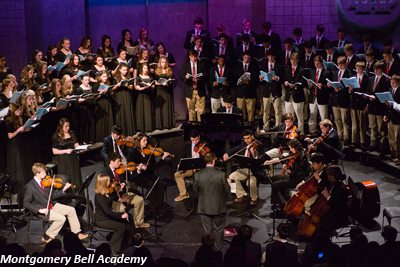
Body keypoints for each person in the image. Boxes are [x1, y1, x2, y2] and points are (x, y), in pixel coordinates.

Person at [23, 163, 88, 244]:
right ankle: (47, 236)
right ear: (37, 173)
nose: (45, 174)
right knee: (61, 218)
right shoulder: (30, 187)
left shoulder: (44, 182)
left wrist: (63, 189)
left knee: (71, 210)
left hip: (51, 205)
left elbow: (52, 195)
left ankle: (76, 233)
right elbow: (26, 203)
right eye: (43, 173)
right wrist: (39, 210)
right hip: (42, 209)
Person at [193, 152, 230, 251]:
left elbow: (195, 190)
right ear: (214, 161)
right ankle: (218, 248)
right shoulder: (221, 174)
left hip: (204, 207)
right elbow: (227, 190)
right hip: (219, 207)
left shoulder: (197, 175)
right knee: (219, 229)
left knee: (207, 229)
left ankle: (208, 248)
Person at [103, 152, 149, 228]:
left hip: (123, 194)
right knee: (122, 209)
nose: (120, 163)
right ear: (111, 162)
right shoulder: (105, 173)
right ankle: (128, 228)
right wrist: (118, 193)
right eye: (118, 161)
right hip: (114, 199)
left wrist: (123, 184)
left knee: (140, 200)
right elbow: (107, 191)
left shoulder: (119, 169)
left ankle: (139, 223)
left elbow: (129, 178)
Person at [129, 132, 168, 215]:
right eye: (144, 140)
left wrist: (163, 159)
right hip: (139, 176)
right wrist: (139, 168)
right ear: (139, 142)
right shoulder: (133, 153)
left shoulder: (149, 152)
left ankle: (159, 205)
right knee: (151, 184)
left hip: (149, 174)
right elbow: (130, 166)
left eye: (146, 140)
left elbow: (154, 167)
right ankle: (154, 207)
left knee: (160, 183)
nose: (146, 142)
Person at [223, 129, 265, 205]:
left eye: (248, 138)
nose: (247, 140)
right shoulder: (243, 144)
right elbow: (235, 149)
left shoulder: (259, 145)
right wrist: (227, 154)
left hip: (254, 171)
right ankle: (241, 195)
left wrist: (253, 153)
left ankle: (254, 198)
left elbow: (261, 161)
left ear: (252, 136)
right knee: (230, 178)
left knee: (250, 183)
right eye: (245, 138)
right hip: (244, 170)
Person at [94, 173, 133, 254]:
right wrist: (121, 215)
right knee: (121, 227)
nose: (111, 183)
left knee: (129, 217)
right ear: (104, 183)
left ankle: (126, 242)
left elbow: (109, 199)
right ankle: (113, 248)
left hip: (106, 216)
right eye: (108, 182)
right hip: (102, 220)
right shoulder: (99, 196)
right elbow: (108, 212)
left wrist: (119, 192)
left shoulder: (104, 192)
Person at [264, 139, 309, 207]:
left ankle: (281, 203)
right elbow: (282, 159)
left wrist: (288, 170)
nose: (290, 150)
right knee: (274, 178)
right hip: (292, 176)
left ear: (296, 147)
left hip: (297, 179)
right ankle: (282, 198)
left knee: (275, 184)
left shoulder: (301, 158)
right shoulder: (294, 153)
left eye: (291, 148)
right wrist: (269, 162)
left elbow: (297, 172)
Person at [173, 129, 210, 202]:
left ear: (199, 137)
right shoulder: (187, 144)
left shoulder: (204, 144)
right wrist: (179, 165)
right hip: (190, 168)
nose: (195, 142)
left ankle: (205, 195)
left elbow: (207, 159)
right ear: (190, 138)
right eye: (193, 140)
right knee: (177, 174)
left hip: (201, 168)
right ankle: (184, 194)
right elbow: (181, 156)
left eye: (196, 139)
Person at [327, 56, 351, 143]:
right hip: (335, 100)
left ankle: (346, 138)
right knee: (337, 119)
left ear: (345, 64)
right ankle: (340, 136)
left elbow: (349, 87)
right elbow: (333, 85)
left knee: (345, 120)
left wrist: (340, 89)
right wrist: (330, 86)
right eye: (338, 64)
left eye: (341, 64)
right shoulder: (335, 73)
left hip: (344, 100)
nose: (340, 66)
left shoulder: (349, 73)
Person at [367, 61, 390, 152]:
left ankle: (382, 147)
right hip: (372, 107)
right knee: (372, 127)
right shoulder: (371, 79)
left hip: (380, 109)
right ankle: (373, 144)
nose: (375, 71)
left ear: (382, 70)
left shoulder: (386, 81)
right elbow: (369, 91)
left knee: (382, 129)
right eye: (375, 69)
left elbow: (386, 95)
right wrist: (368, 96)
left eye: (377, 69)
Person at [52, 118, 82, 186]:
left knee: (76, 176)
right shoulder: (56, 136)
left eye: (68, 126)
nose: (68, 128)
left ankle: (77, 194)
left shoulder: (71, 133)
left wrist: (80, 147)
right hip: (64, 160)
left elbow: (76, 144)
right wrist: (66, 151)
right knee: (67, 178)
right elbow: (54, 151)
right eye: (66, 126)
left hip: (73, 158)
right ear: (60, 126)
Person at [181, 50, 207, 122]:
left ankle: (201, 127)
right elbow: (181, 76)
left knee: (201, 110)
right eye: (192, 57)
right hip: (190, 90)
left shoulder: (201, 64)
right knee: (191, 110)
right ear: (189, 57)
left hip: (200, 89)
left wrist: (199, 79)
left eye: (195, 57)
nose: (194, 58)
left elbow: (205, 76)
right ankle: (192, 127)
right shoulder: (185, 65)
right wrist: (185, 77)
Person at [259, 50, 283, 128]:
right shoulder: (263, 65)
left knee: (277, 112)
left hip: (276, 92)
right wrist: (261, 78)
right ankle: (265, 127)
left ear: (274, 57)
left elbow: (283, 78)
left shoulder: (279, 66)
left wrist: (277, 78)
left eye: (272, 56)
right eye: (269, 56)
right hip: (266, 92)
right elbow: (260, 79)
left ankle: (277, 127)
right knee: (265, 111)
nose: (270, 58)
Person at [283, 52, 305, 134]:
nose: (293, 61)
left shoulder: (301, 70)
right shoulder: (287, 69)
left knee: (299, 116)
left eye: (295, 60)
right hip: (289, 95)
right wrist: (286, 83)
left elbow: (303, 83)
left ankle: (300, 133)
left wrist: (295, 86)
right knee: (288, 116)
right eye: (292, 60)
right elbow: (285, 79)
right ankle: (289, 133)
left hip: (298, 96)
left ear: (298, 60)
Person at [307, 55, 329, 134]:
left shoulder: (326, 72)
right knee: (312, 115)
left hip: (322, 97)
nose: (316, 65)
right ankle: (312, 131)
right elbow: (309, 85)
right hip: (313, 97)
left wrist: (322, 86)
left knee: (323, 116)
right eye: (315, 63)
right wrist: (309, 85)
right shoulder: (312, 71)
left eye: (318, 63)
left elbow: (329, 86)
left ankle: (325, 133)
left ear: (321, 63)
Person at [349, 61, 369, 149]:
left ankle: (362, 141)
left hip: (362, 104)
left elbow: (369, 90)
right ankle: (354, 141)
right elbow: (350, 92)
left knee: (362, 124)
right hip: (354, 104)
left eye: (360, 69)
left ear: (363, 69)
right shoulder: (353, 78)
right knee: (354, 124)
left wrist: (366, 96)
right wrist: (350, 90)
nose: (358, 70)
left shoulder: (367, 78)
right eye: (357, 69)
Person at [234, 51, 259, 122]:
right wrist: (240, 82)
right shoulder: (237, 66)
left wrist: (249, 82)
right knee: (240, 111)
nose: (247, 60)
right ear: (243, 57)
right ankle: (241, 125)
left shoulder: (254, 66)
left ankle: (250, 125)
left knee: (250, 110)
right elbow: (233, 78)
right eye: (245, 58)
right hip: (240, 92)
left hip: (250, 92)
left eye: (248, 58)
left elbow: (257, 80)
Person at [154, 56, 175, 129]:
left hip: (167, 91)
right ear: (160, 63)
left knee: (166, 107)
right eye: (162, 62)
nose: (164, 64)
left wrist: (168, 82)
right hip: (159, 90)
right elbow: (155, 82)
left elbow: (171, 80)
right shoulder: (156, 71)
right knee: (161, 107)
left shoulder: (169, 70)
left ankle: (167, 124)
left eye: (165, 62)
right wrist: (160, 83)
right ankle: (160, 125)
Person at [134, 62, 155, 132]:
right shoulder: (138, 77)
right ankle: (141, 128)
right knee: (141, 111)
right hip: (141, 96)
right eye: (144, 68)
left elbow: (153, 86)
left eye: (147, 68)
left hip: (148, 95)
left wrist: (151, 86)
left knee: (148, 111)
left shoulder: (150, 77)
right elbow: (137, 88)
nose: (146, 70)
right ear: (142, 69)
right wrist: (145, 87)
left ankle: (148, 127)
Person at [384, 75, 400, 164]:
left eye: (394, 82)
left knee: (398, 139)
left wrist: (393, 104)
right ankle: (393, 154)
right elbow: (388, 105)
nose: (392, 84)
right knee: (391, 138)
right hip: (390, 117)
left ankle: (398, 156)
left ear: (398, 82)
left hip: (397, 119)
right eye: (391, 82)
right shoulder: (390, 90)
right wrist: (386, 115)